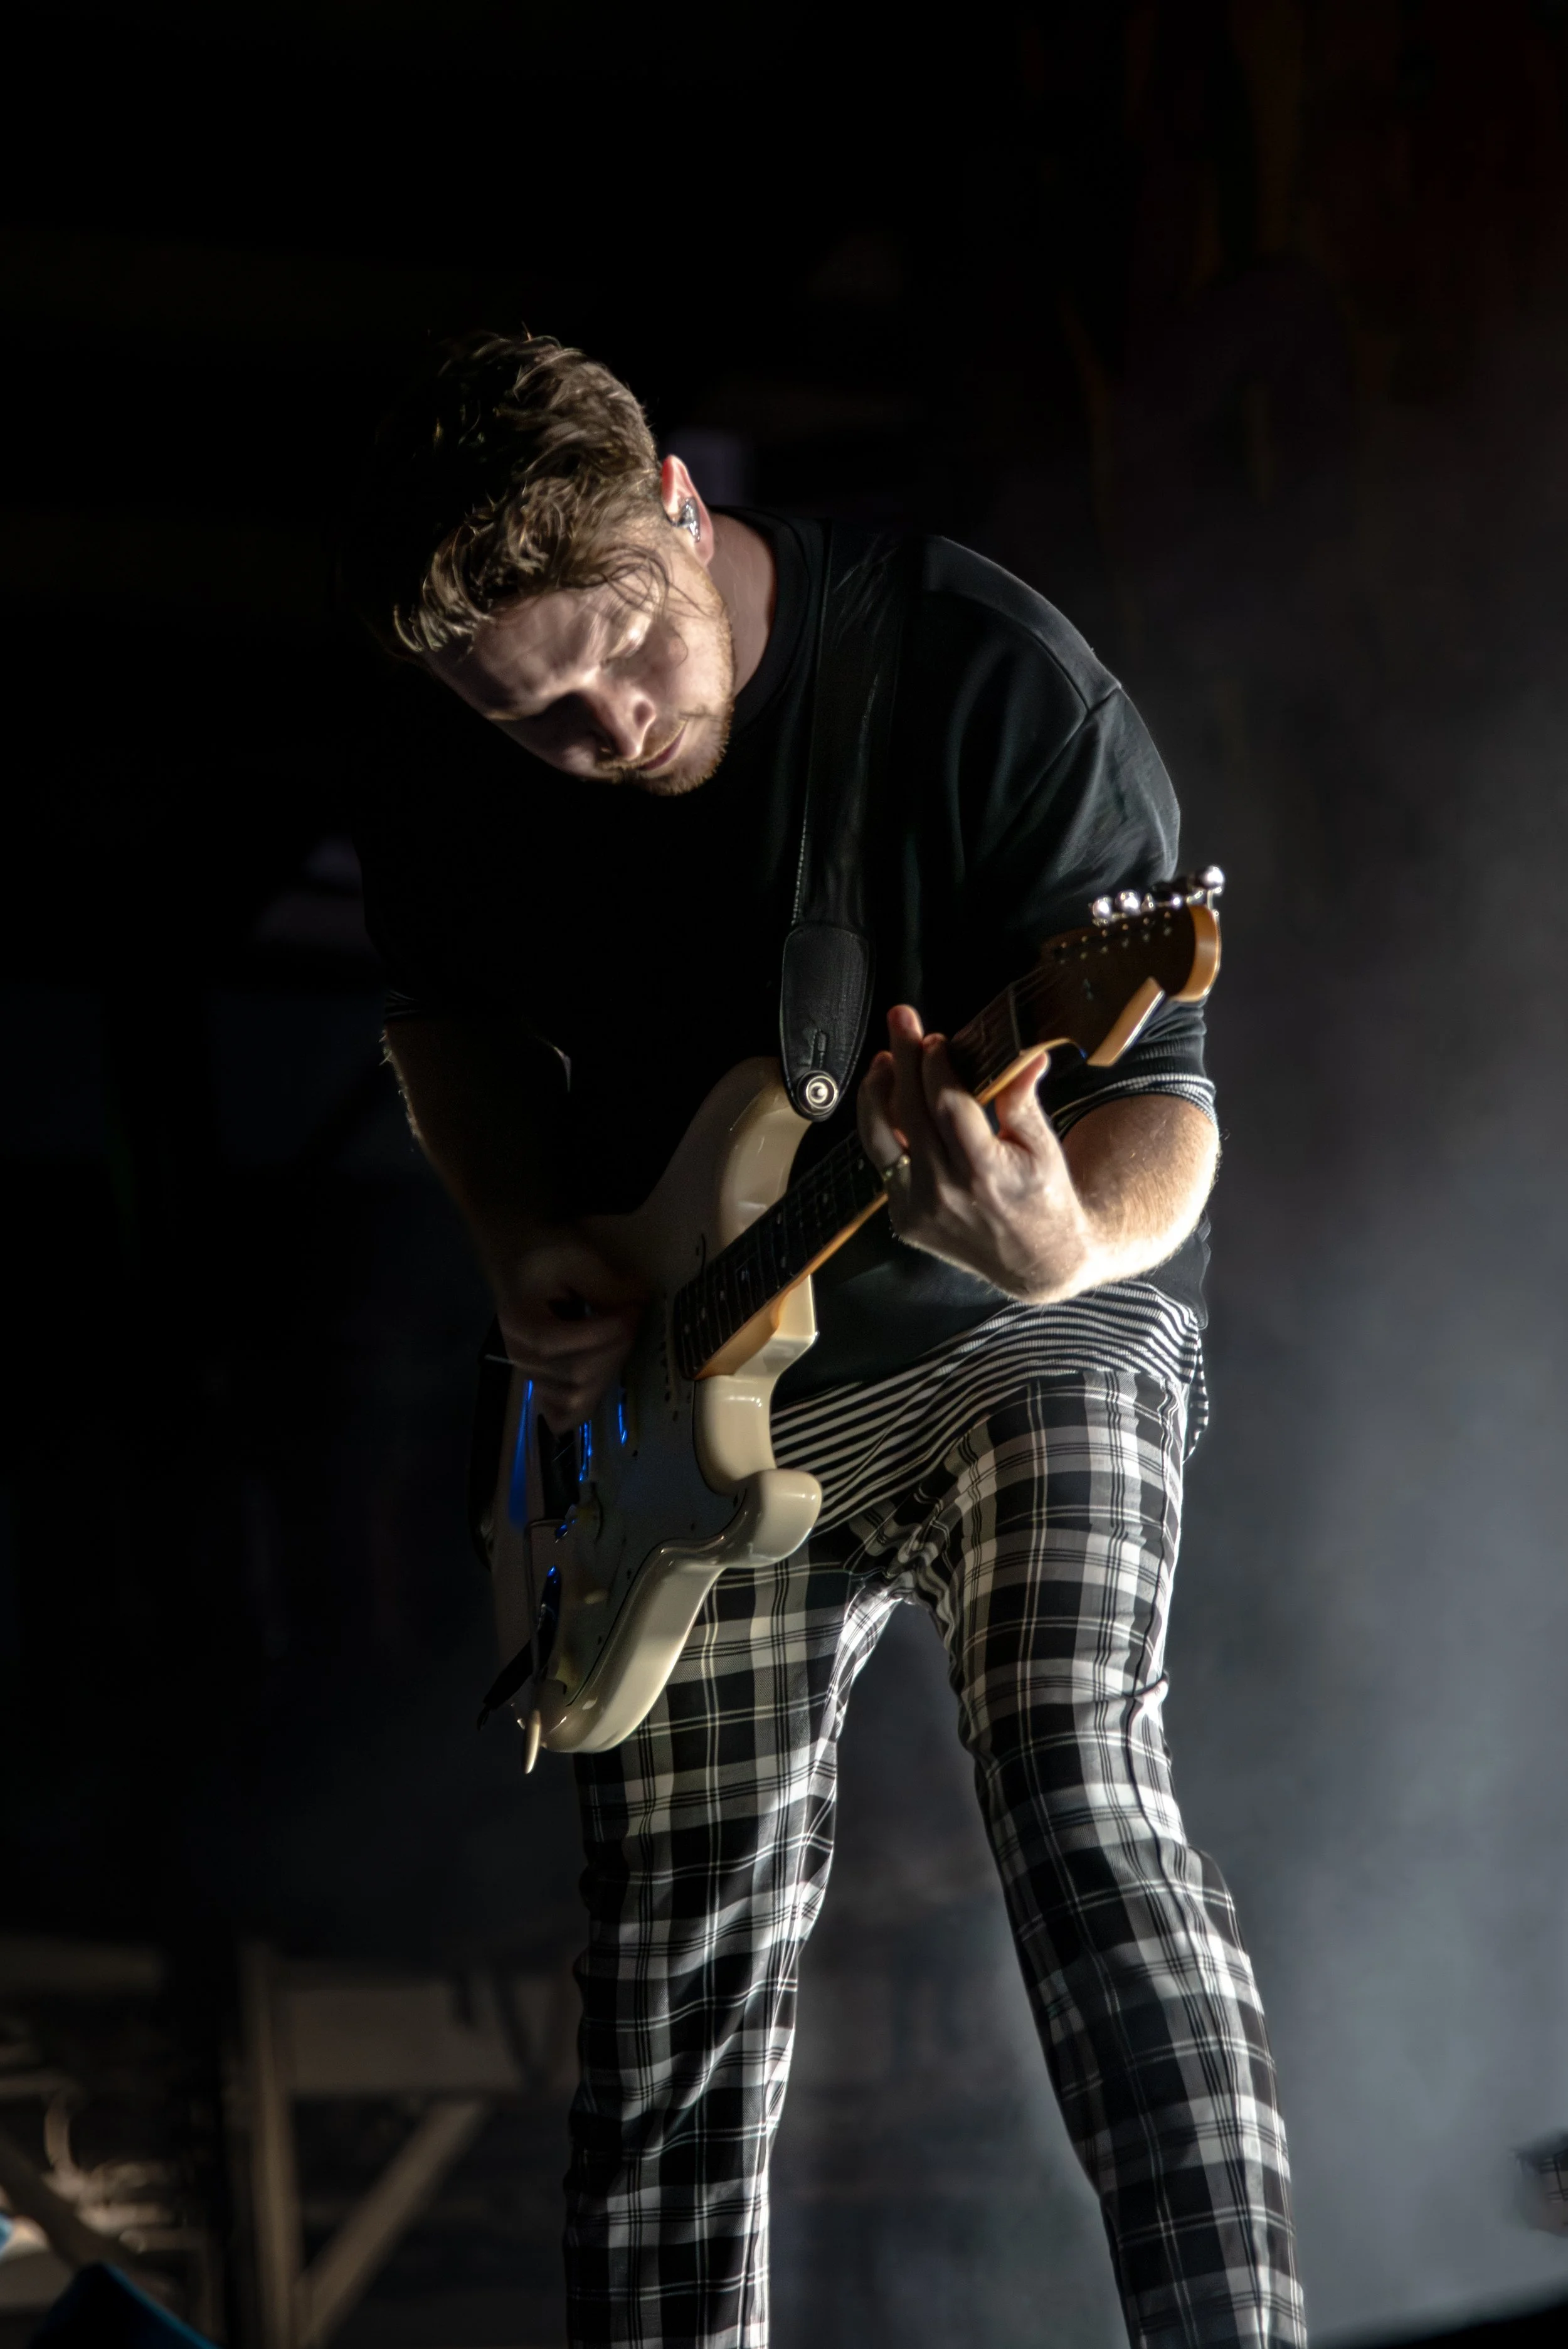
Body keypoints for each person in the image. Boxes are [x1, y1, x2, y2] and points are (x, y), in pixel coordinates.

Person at [340, 331, 1304, 2349]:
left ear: (681, 505)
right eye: (531, 716)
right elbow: (445, 1031)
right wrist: (523, 1235)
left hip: (1015, 1330)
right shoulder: (440, 768)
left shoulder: (978, 674)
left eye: (627, 651)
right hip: (687, 1400)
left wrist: (1059, 1235)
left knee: (1073, 1784)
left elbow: (1170, 1111)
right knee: (672, 1979)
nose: (604, 728)